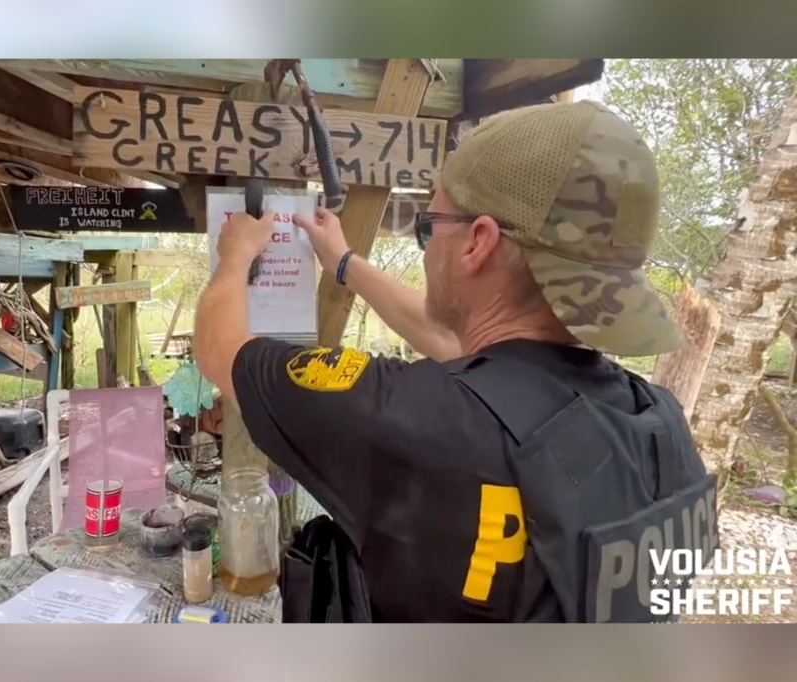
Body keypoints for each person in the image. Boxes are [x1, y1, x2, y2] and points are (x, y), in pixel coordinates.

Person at [192, 100, 716, 622]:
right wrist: (346, 263)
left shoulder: (405, 418)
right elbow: (477, 366)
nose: (427, 245)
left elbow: (220, 349)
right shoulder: (660, 427)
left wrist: (236, 256)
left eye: (432, 225)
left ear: (477, 243)